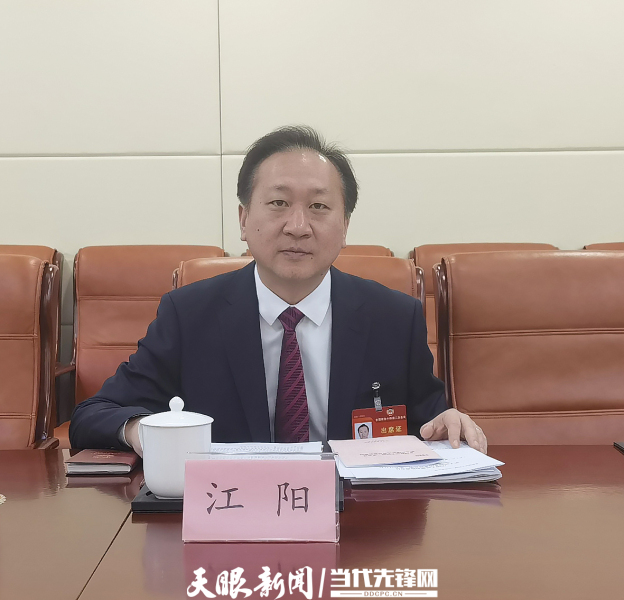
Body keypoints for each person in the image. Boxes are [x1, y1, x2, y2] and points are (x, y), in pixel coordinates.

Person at [69, 126, 487, 455]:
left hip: (357, 519)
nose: (298, 227)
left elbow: (428, 421)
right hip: (230, 516)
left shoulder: (394, 318)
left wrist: (448, 423)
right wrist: (145, 431)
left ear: (344, 227)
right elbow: (94, 415)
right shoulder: (189, 315)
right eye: (278, 203)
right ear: (243, 219)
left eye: (319, 206)